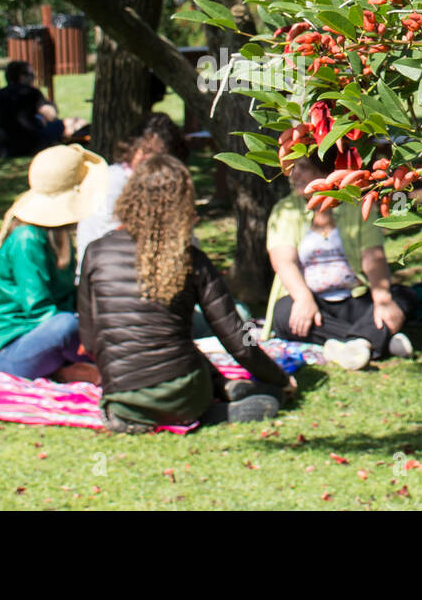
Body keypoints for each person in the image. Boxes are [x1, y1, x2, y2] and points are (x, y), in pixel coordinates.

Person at [79, 155, 294, 431]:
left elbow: (89, 338)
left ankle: (210, 396)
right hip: (186, 394)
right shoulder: (190, 260)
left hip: (122, 400)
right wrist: (278, 377)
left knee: (176, 349)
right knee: (182, 352)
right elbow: (238, 338)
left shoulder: (95, 253)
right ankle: (220, 406)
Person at [267, 151, 418, 370]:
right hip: (311, 302)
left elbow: (372, 256)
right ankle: (374, 340)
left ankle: (352, 343)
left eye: (303, 167)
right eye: (293, 168)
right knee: (283, 314)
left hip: (353, 297)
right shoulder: (285, 210)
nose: (294, 175)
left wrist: (382, 298)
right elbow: (283, 261)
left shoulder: (354, 206)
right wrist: (302, 298)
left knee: (403, 296)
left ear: (324, 173)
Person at [0, 144, 109, 383]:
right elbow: (41, 312)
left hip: (55, 336)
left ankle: (69, 370)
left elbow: (69, 296)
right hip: (17, 348)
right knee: (66, 327)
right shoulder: (27, 240)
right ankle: (79, 367)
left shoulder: (58, 234)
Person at [75, 111, 188, 275]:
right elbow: (104, 234)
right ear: (134, 147)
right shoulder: (112, 180)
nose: (146, 159)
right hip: (107, 271)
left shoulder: (163, 186)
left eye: (156, 155)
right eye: (144, 151)